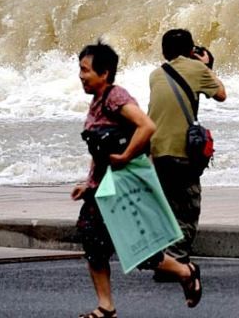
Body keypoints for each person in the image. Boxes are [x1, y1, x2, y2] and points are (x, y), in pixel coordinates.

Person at [72, 42, 203, 318]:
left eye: (85, 70)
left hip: (124, 188)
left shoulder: (115, 97)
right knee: (92, 241)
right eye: (80, 69)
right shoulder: (96, 103)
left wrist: (126, 156)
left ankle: (184, 271)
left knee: (139, 250)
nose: (81, 75)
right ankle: (106, 306)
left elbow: (147, 126)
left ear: (104, 73)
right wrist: (89, 183)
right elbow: (101, 152)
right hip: (103, 188)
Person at [148, 29, 226, 269]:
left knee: (167, 207)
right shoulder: (198, 69)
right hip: (182, 152)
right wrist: (206, 65)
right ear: (192, 50)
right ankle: (177, 264)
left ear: (163, 51)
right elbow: (221, 94)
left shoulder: (156, 74)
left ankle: (166, 258)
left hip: (156, 151)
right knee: (187, 209)